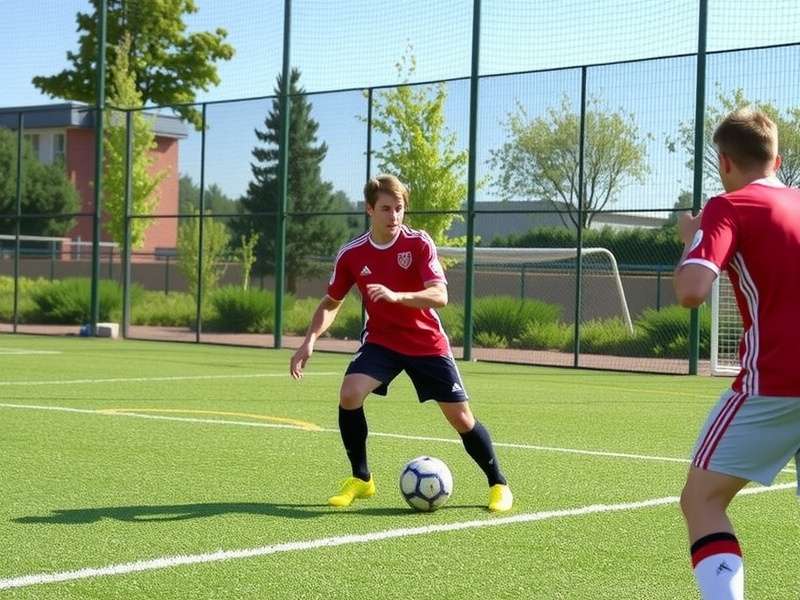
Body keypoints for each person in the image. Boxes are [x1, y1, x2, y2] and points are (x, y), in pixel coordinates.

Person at [290, 174, 513, 512]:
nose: (394, 216)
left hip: (427, 342)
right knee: (350, 394)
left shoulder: (419, 243)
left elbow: (440, 296)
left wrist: (398, 296)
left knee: (461, 419)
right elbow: (331, 303)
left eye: (399, 208)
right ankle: (362, 480)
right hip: (382, 341)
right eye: (385, 209)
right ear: (369, 210)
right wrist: (310, 340)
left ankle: (498, 484)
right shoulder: (352, 254)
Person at [673, 108, 800, 599]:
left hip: (774, 383)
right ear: (778, 159)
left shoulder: (729, 206)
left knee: (701, 499)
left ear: (724, 163)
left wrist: (692, 242)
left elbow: (692, 290)